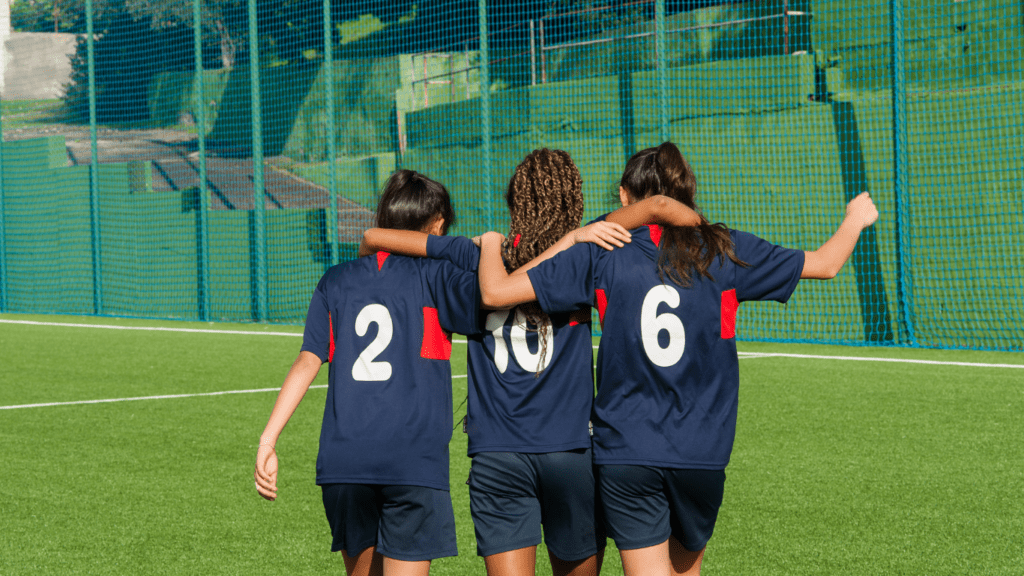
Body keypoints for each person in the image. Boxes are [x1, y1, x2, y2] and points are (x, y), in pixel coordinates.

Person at [476, 142, 880, 576]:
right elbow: (826, 263)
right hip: (701, 450)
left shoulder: (602, 248)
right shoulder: (723, 248)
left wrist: (567, 236)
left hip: (624, 450)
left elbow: (499, 293)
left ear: (626, 196)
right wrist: (855, 219)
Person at [359, 148, 702, 576]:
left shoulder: (478, 255)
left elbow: (388, 240)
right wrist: (699, 230)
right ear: (572, 202)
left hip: (496, 455)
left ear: (513, 200)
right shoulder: (586, 251)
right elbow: (656, 206)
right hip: (570, 451)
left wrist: (371, 240)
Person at [253, 170, 482, 576]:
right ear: (438, 226)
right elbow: (489, 286)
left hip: (346, 462)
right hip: (413, 461)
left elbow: (308, 360)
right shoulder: (438, 277)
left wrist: (268, 439)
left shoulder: (335, 280)